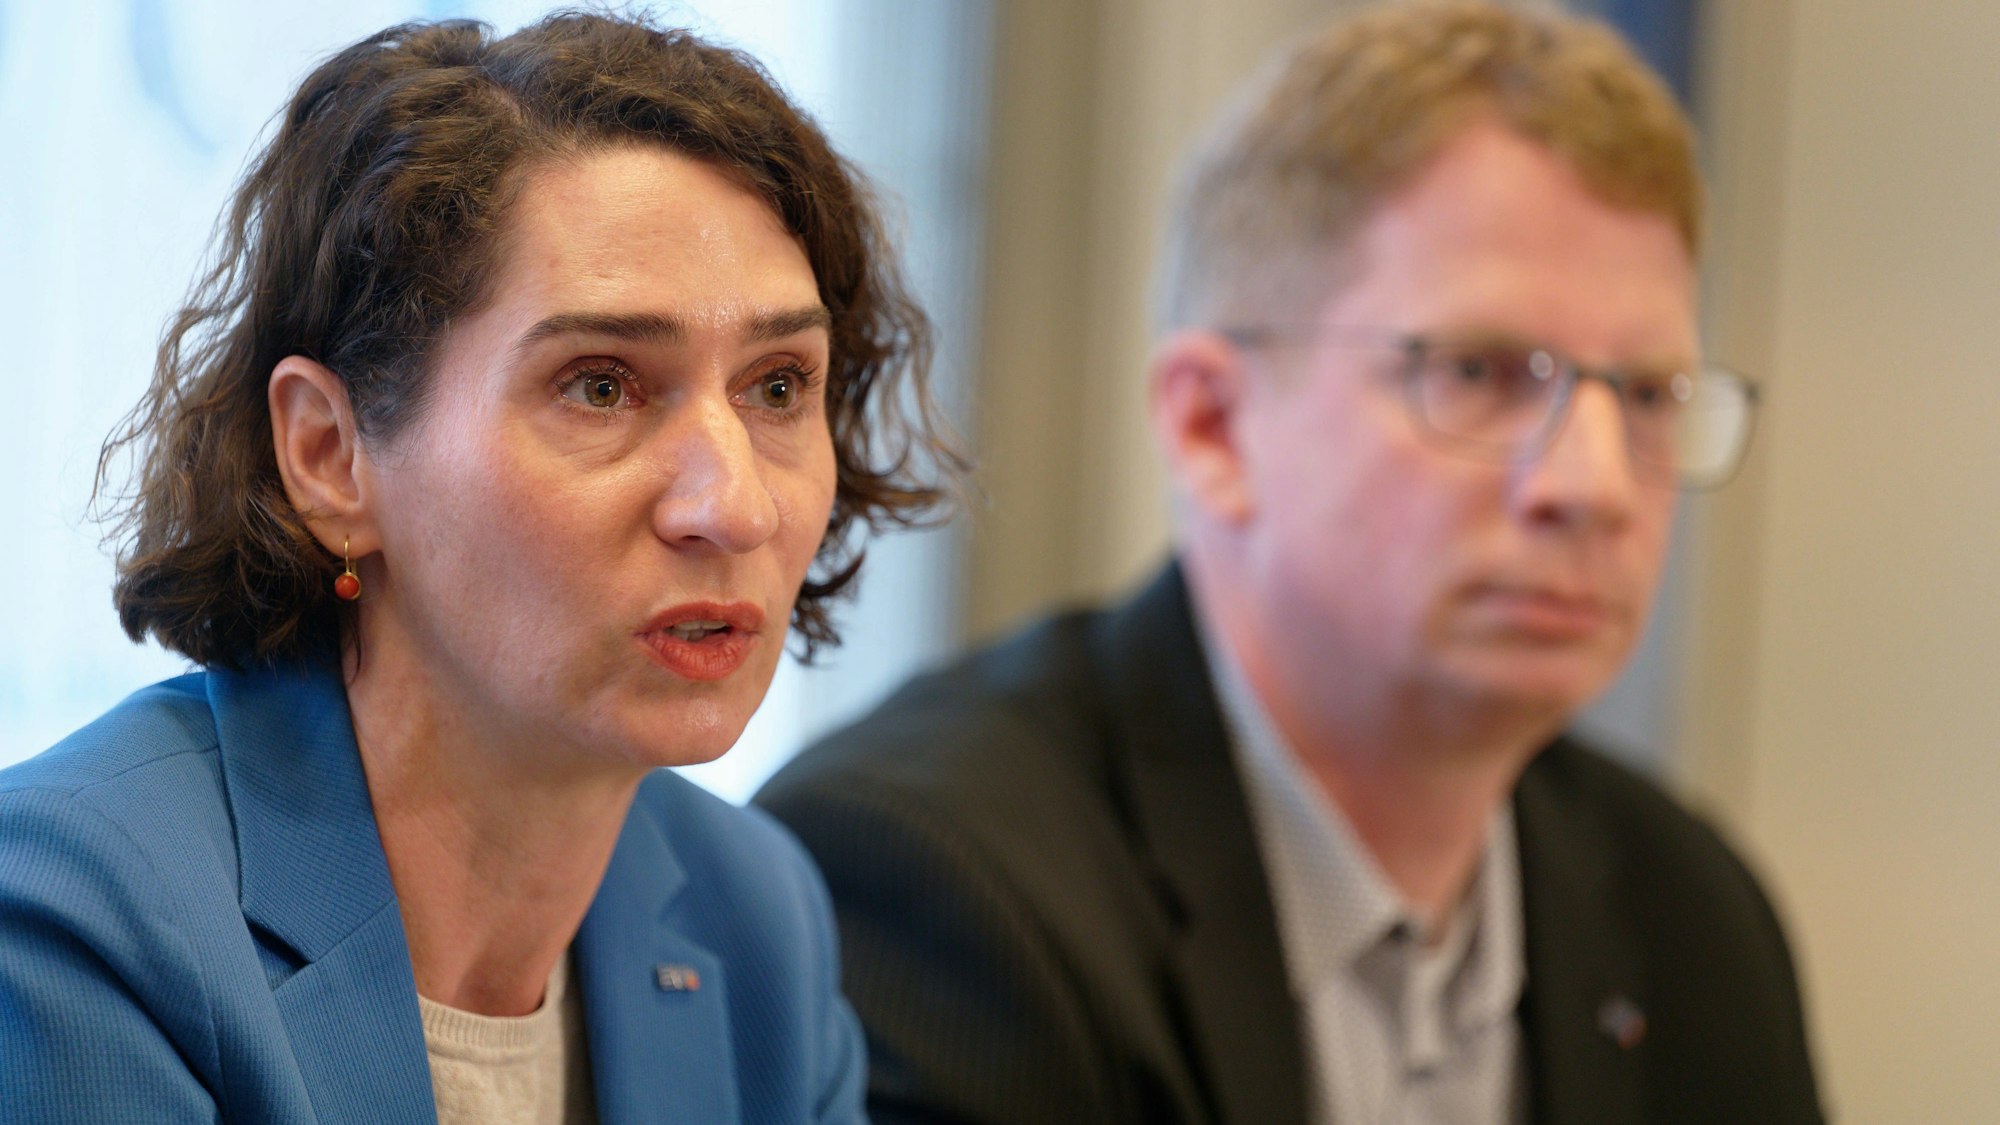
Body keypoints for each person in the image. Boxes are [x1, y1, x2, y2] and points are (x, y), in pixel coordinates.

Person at [757, 3, 1824, 1122]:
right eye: (1480, 374)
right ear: (1213, 426)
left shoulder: (1686, 914)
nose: (1594, 486)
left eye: (1648, 395)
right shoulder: (942, 884)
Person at [0, 12, 951, 1122]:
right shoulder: (76, 916)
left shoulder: (754, 918)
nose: (734, 507)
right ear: (330, 455)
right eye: (601, 386)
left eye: (778, 386)